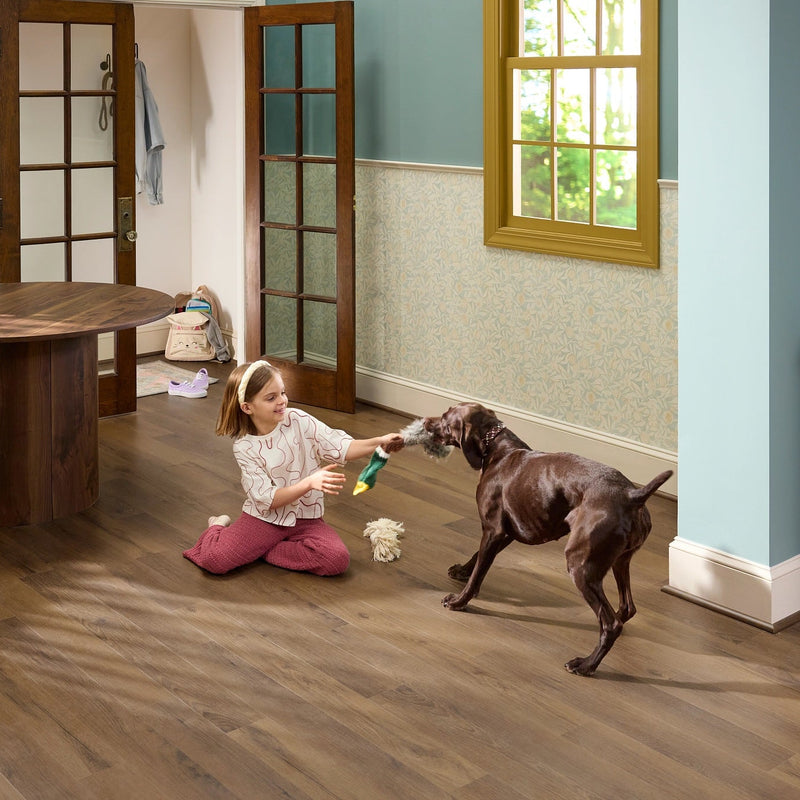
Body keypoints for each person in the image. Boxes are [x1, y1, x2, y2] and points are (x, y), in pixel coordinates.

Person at [182, 360, 404, 576]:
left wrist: (379, 441)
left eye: (283, 393)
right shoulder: (244, 447)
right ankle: (217, 527)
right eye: (271, 398)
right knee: (214, 561)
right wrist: (308, 483)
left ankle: (257, 550)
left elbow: (341, 447)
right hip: (264, 520)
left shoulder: (298, 420)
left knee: (336, 560)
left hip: (306, 517)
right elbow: (266, 500)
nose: (282, 401)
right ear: (247, 407)